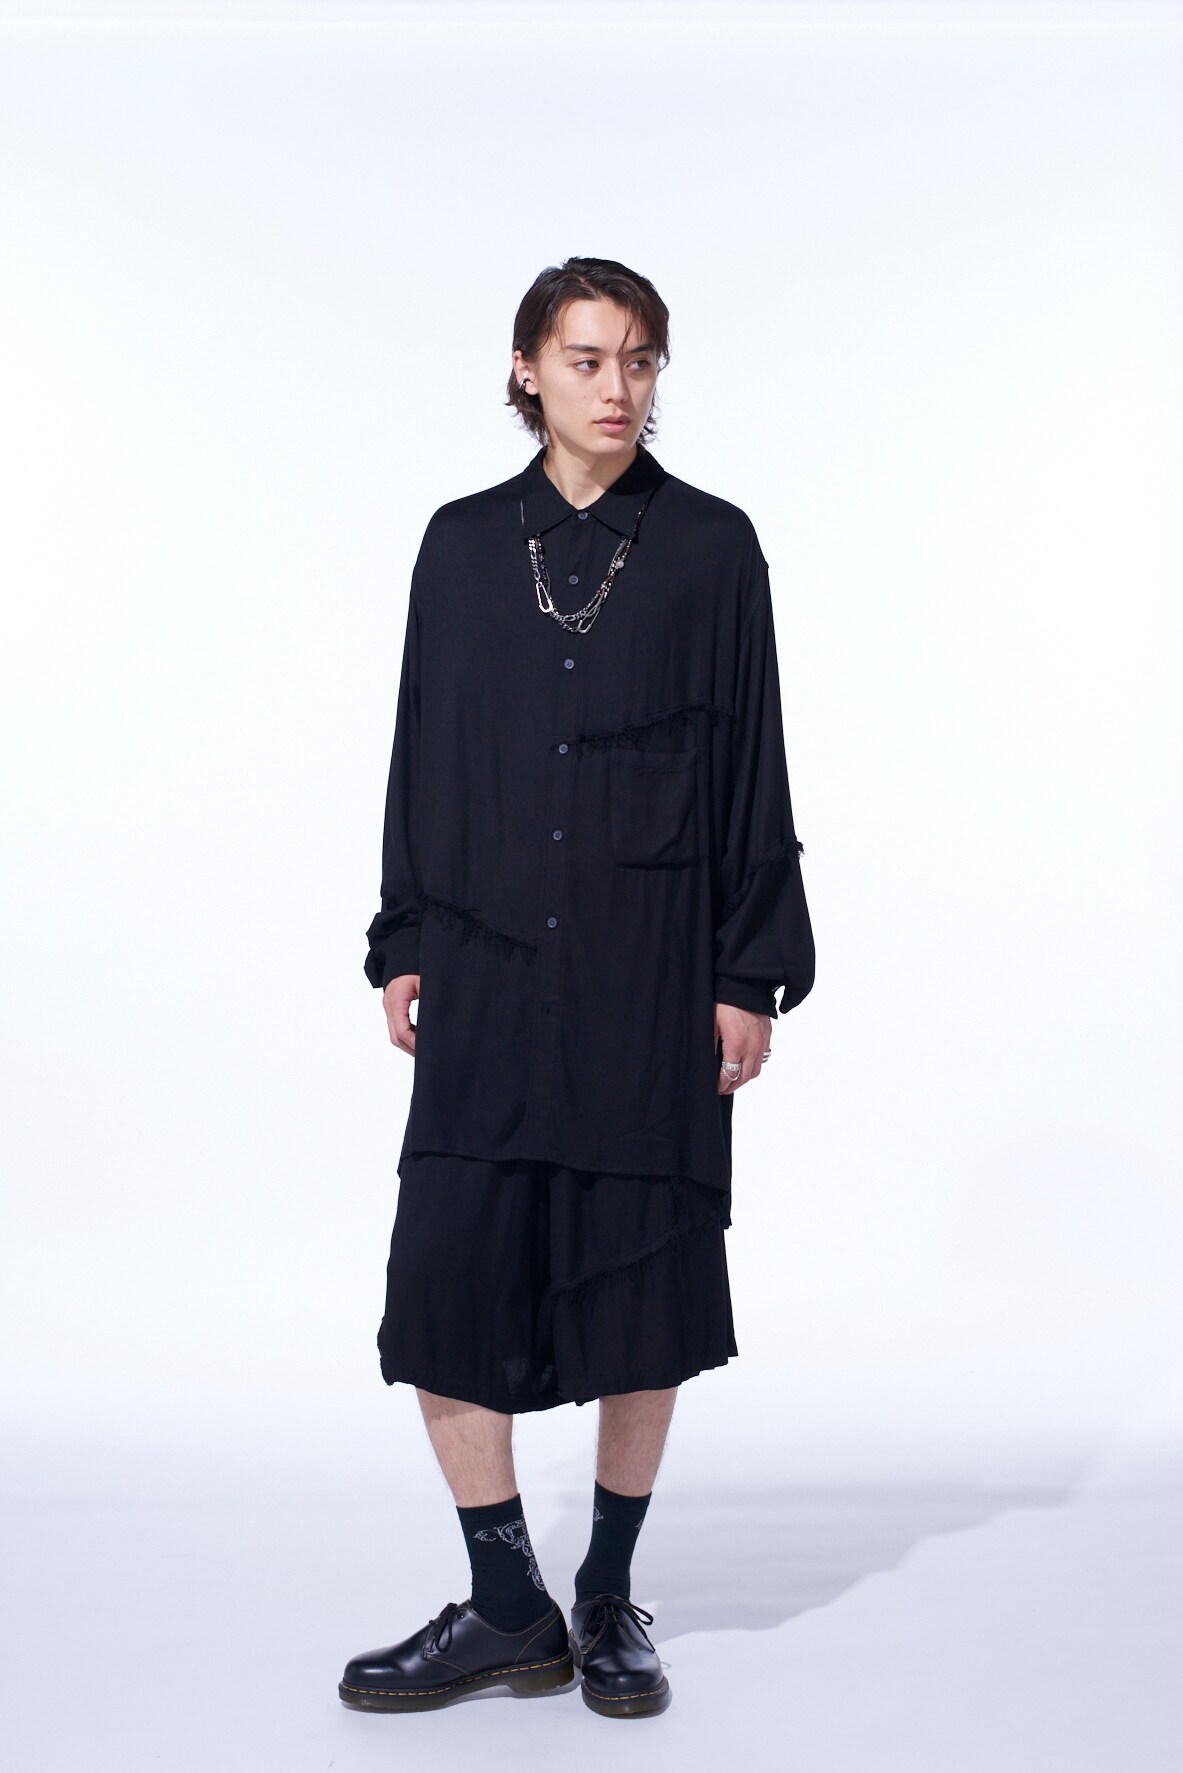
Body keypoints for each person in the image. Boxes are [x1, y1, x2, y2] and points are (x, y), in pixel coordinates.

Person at [340, 256, 815, 1718]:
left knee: (639, 1285)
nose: (620, 388)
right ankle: (506, 1602)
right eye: (590, 358)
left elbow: (753, 766)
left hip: (646, 973)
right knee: (445, 1280)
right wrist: (404, 936)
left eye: (642, 361)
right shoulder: (460, 547)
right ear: (528, 368)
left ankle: (605, 1593)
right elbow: (421, 750)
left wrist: (749, 969)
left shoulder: (713, 549)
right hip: (485, 966)